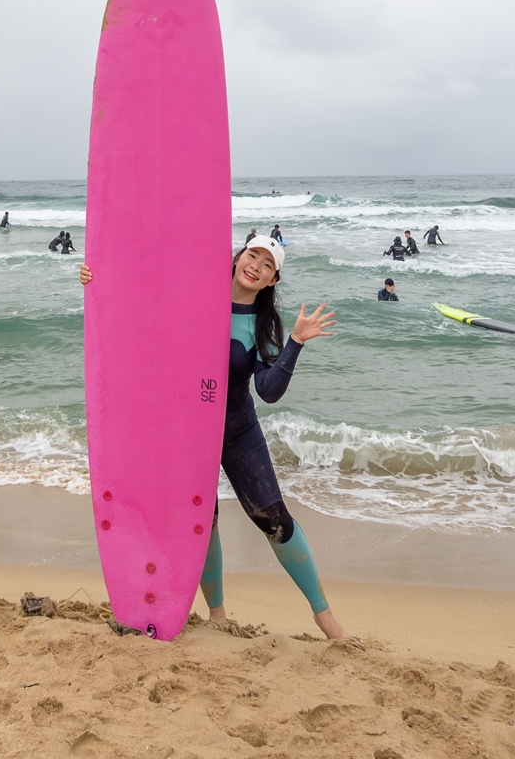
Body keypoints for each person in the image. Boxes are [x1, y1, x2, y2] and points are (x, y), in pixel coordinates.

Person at [79, 235, 344, 640]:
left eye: (267, 265)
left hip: (238, 431)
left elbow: (269, 390)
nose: (256, 265)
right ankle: (217, 615)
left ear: (273, 280)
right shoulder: (195, 294)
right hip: (187, 433)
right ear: (239, 257)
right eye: (252, 255)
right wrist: (96, 280)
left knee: (275, 521)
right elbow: (142, 299)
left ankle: (324, 615)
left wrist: (296, 342)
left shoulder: (262, 324)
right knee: (202, 523)